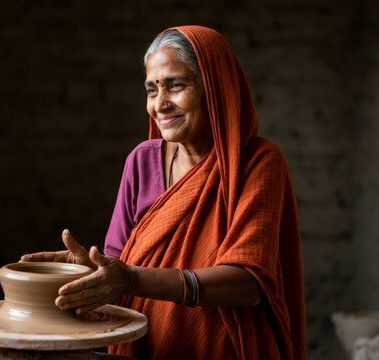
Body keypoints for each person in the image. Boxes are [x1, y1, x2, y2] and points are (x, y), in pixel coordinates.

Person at [21, 25, 306, 359]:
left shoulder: (258, 163)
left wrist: (131, 279)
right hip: (143, 346)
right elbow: (117, 269)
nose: (161, 104)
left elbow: (248, 283)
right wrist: (92, 272)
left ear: (214, 88)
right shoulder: (142, 161)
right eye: (152, 89)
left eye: (175, 85)